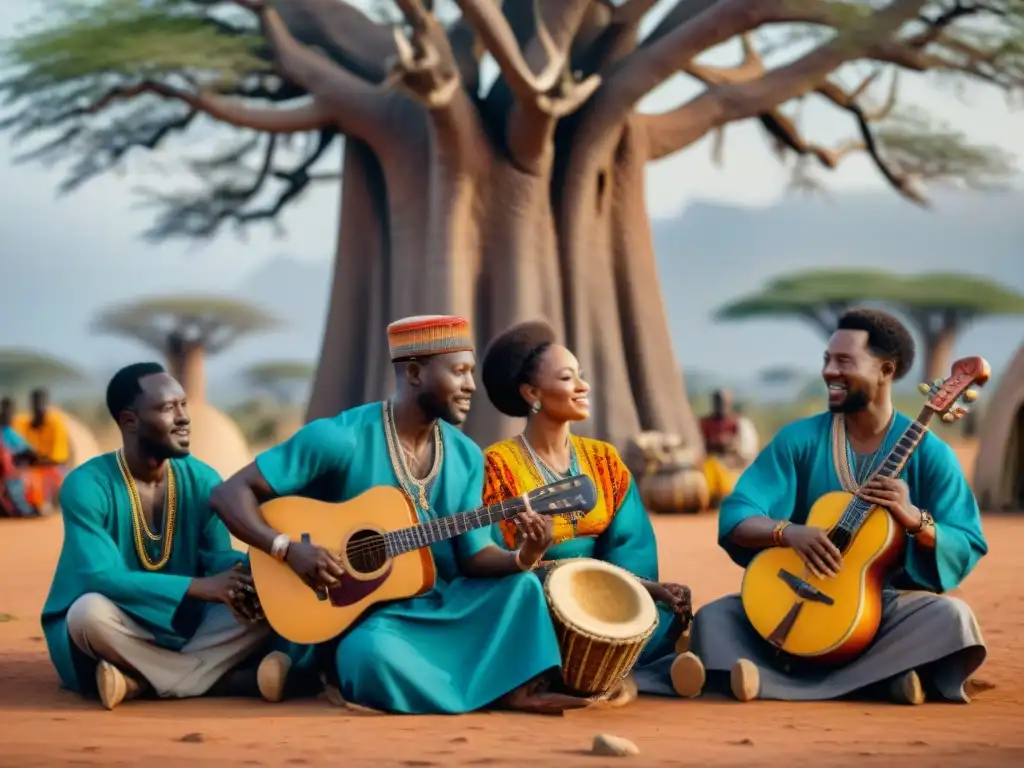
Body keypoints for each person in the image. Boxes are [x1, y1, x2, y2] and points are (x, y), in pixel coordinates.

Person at [210, 315, 582, 715]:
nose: (471, 386)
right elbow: (229, 494)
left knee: (522, 588)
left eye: (471, 372)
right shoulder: (340, 438)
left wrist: (523, 556)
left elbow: (474, 555)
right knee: (371, 656)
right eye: (459, 372)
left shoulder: (466, 456)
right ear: (415, 373)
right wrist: (285, 549)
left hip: (442, 605)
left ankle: (511, 688)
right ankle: (481, 684)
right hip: (367, 618)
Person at [682, 308, 988, 705]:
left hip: (883, 610)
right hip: (795, 592)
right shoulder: (800, 440)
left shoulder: (932, 455)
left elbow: (965, 541)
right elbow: (739, 512)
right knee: (714, 619)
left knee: (952, 620)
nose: (829, 371)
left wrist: (915, 520)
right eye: (827, 360)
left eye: (844, 360)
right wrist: (788, 533)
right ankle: (887, 681)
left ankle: (764, 679)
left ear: (886, 370)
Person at [41, 363, 289, 710]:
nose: (184, 417)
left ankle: (140, 681)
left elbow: (218, 557)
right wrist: (198, 587)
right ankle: (223, 681)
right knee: (85, 613)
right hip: (119, 621)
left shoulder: (203, 480)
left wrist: (249, 574)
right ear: (130, 421)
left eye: (183, 405)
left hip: (186, 625)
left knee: (265, 602)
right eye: (166, 408)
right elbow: (101, 577)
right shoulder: (87, 485)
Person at [479, 321, 704, 699]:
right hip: (535, 599)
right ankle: (628, 674)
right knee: (523, 598)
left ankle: (640, 666)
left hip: (608, 590)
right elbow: (491, 559)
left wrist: (640, 586)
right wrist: (531, 558)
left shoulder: (604, 460)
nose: (583, 387)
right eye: (568, 378)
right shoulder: (498, 466)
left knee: (675, 607)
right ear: (532, 392)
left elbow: (631, 545)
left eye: (581, 376)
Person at [12, 388, 70, 512]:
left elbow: (57, 459)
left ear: (47, 404)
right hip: (35, 467)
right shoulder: (24, 423)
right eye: (35, 403)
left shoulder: (56, 424)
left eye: (41, 403)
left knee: (50, 479)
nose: (38, 407)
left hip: (53, 467)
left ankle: (48, 504)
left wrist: (32, 460)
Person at [699, 389, 741, 503]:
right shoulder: (705, 422)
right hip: (710, 460)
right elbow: (702, 443)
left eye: (724, 402)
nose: (721, 406)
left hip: (730, 462)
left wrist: (728, 443)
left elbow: (739, 445)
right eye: (718, 402)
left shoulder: (735, 422)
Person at [1, 396, 40, 517]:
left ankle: (20, 507)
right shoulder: (9, 432)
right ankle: (22, 508)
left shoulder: (11, 432)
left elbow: (29, 453)